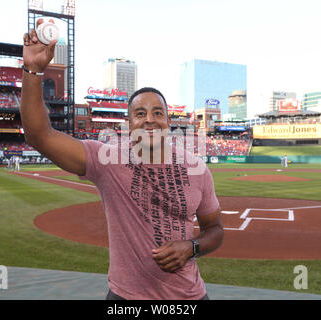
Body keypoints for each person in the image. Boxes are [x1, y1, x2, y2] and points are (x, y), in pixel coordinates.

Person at [20, 19, 224, 300]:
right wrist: (32, 71)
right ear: (128, 123)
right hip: (125, 298)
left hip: (190, 297)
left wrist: (192, 247)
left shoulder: (197, 170)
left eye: (157, 113)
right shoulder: (107, 159)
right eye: (140, 114)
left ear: (169, 120)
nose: (150, 120)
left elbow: (214, 230)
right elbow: (39, 135)